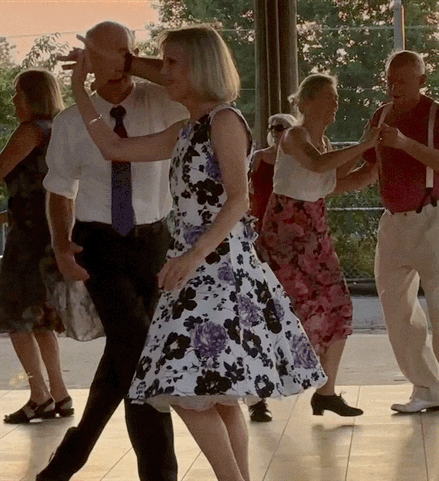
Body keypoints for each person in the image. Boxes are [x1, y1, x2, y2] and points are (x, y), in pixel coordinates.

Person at [68, 25, 326, 481]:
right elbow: (113, 147)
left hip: (219, 269)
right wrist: (78, 89)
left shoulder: (224, 121)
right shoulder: (186, 129)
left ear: (201, 68)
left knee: (184, 388)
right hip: (194, 270)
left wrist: (192, 256)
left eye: (172, 63)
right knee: (217, 394)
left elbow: (239, 200)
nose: (162, 71)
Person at [37, 21, 188, 481]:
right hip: (99, 245)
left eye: (122, 52)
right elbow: (59, 189)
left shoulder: (163, 100)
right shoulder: (71, 121)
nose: (114, 65)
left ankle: (70, 456)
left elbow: (203, 85)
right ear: (86, 61)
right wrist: (62, 247)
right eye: (100, 56)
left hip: (154, 243)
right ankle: (160, 474)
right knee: (142, 355)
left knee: (124, 358)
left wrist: (127, 61)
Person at [337, 50, 439, 414]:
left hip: (434, 217)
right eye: (389, 80)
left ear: (421, 81)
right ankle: (426, 388)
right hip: (394, 222)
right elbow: (369, 171)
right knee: (396, 308)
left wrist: (404, 143)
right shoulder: (381, 116)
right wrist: (322, 189)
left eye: (402, 80)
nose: (393, 87)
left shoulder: (437, 114)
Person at [257, 74, 380, 417]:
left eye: (336, 97)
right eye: (329, 97)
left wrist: (373, 164)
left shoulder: (325, 143)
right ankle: (258, 391)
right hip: (287, 230)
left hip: (314, 226)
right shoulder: (295, 136)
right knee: (287, 309)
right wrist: (364, 145)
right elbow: (317, 164)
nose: (335, 103)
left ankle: (326, 392)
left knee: (338, 305)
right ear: (306, 102)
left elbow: (334, 180)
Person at [0, 69, 73, 424]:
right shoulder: (56, 131)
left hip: (28, 242)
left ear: (33, 96)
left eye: (19, 93)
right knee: (41, 321)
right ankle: (59, 394)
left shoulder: (30, 131)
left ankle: (39, 395)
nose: (14, 99)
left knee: (16, 319)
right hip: (48, 234)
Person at [246, 112, 295, 423]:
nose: (277, 132)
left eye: (283, 127)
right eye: (273, 127)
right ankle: (257, 398)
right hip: (259, 238)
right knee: (258, 316)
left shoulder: (298, 160)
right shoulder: (257, 160)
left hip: (289, 239)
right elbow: (247, 195)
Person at [249, 113, 296, 233]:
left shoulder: (296, 159)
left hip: (287, 213)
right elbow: (249, 185)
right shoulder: (259, 156)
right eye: (271, 128)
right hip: (260, 212)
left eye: (279, 128)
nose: (274, 132)